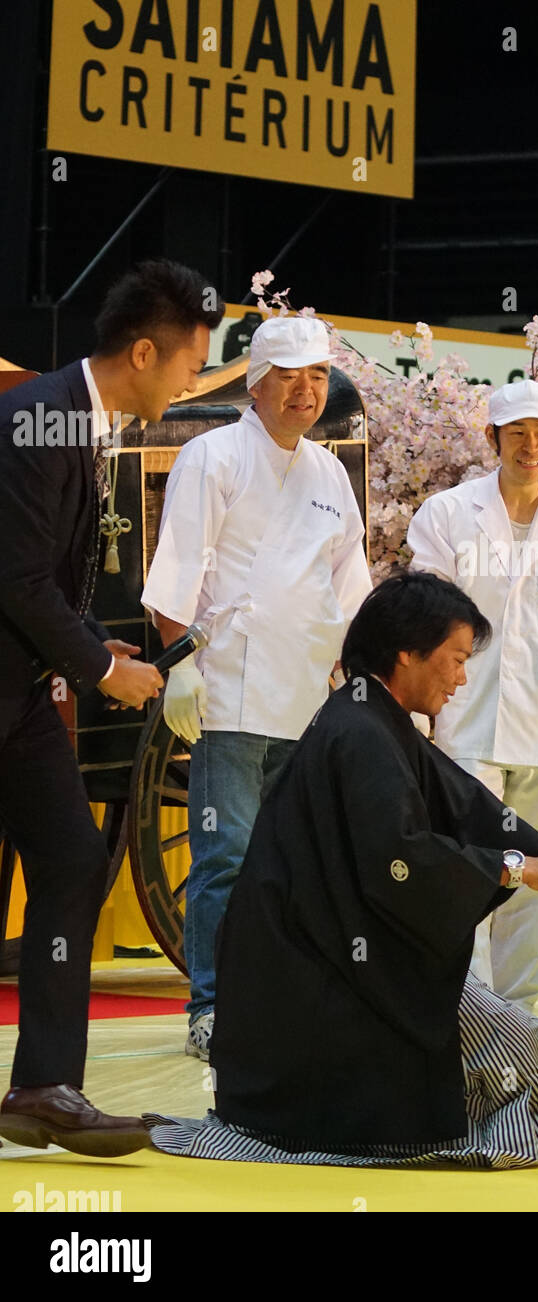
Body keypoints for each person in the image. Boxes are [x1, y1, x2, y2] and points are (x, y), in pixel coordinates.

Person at [144, 572, 538, 1168]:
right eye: (457, 659)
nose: (463, 678)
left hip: (334, 956)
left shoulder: (369, 715)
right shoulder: (359, 729)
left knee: (503, 1043)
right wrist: (516, 867)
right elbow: (400, 863)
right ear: (408, 651)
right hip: (313, 983)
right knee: (511, 1039)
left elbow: (463, 802)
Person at [0, 258, 223, 1156]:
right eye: (188, 366)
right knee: (67, 862)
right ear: (142, 352)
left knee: (72, 863)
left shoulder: (76, 417)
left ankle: (44, 1089)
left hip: (16, 690)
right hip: (19, 680)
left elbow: (40, 576)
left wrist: (95, 641)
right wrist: (97, 667)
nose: (192, 383)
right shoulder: (35, 417)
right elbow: (11, 575)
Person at [141, 316, 372, 1061]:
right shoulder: (212, 456)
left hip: (306, 690)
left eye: (315, 377)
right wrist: (177, 662)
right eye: (288, 376)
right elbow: (176, 564)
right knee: (226, 857)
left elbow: (351, 585)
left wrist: (359, 675)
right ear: (254, 382)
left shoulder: (328, 471)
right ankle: (211, 1007)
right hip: (231, 688)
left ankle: (277, 1001)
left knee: (291, 861)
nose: (305, 391)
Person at [407, 380, 538, 1020]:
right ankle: (465, 1014)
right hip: (467, 720)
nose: (532, 447)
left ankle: (519, 1019)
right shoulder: (446, 514)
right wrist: (423, 710)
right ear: (492, 439)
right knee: (471, 868)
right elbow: (425, 618)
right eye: (518, 434)